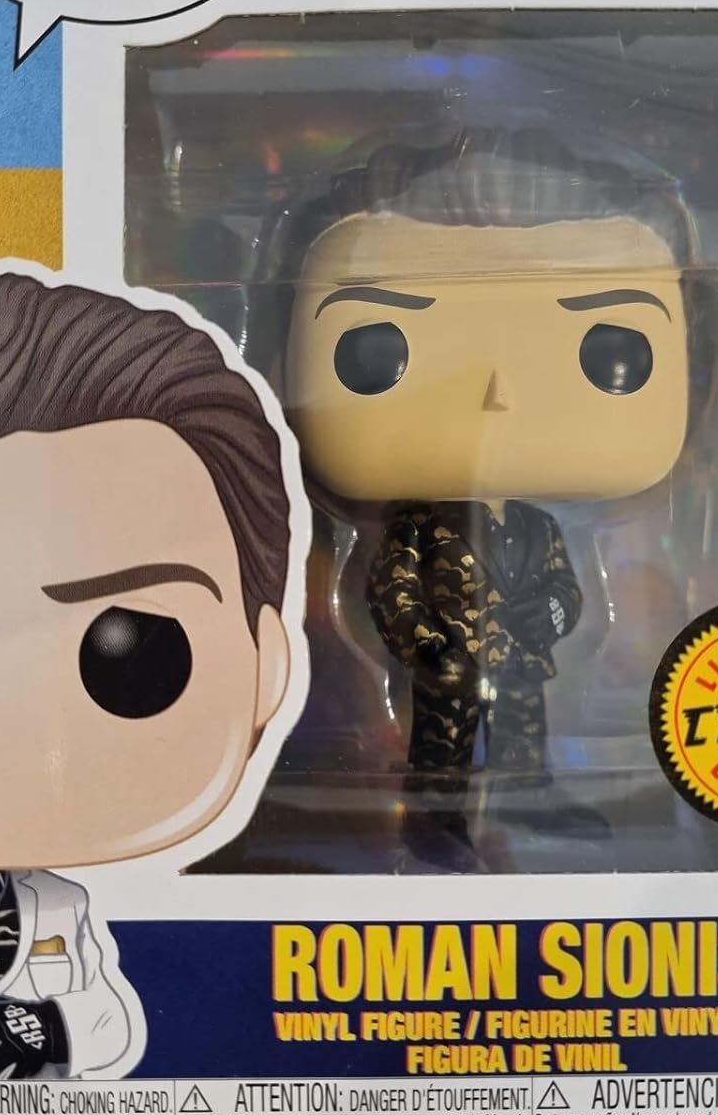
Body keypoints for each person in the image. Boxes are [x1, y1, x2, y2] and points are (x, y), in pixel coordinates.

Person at [0, 260, 297, 1079]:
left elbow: (109, 1023)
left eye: (130, 652)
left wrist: (50, 1030)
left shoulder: (60, 906)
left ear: (267, 667)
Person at [286, 129, 693, 867]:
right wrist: (424, 646)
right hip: (446, 662)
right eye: (375, 351)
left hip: (519, 655)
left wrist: (555, 614)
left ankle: (531, 795)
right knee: (440, 743)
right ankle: (436, 817)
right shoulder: (417, 525)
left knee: (524, 736)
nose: (499, 393)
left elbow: (560, 581)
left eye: (611, 351)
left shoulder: (535, 523)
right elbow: (391, 588)